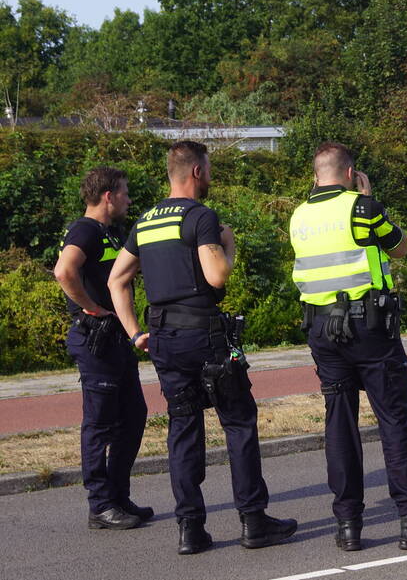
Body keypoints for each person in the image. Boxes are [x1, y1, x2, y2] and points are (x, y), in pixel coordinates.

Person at [108, 141, 296, 554]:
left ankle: (190, 529)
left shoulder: (146, 221)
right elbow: (216, 276)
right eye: (208, 169)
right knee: (238, 421)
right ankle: (253, 521)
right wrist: (228, 244)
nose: (210, 175)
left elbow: (117, 279)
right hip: (204, 336)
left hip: (164, 338)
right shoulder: (200, 216)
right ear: (196, 172)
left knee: (184, 426)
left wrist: (135, 332)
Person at [289, 142, 407, 551]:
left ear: (315, 176)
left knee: (339, 424)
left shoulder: (299, 215)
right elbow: (399, 246)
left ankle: (347, 525)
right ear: (351, 173)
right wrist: (367, 200)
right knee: (394, 418)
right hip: (368, 327)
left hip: (321, 329)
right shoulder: (363, 208)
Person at [53, 167, 150, 530]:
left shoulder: (111, 232)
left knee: (133, 416)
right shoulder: (85, 230)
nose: (128, 199)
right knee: (99, 424)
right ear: (108, 196)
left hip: (116, 340)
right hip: (94, 339)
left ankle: (118, 496)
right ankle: (100, 505)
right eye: (124, 192)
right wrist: (91, 308)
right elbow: (64, 271)